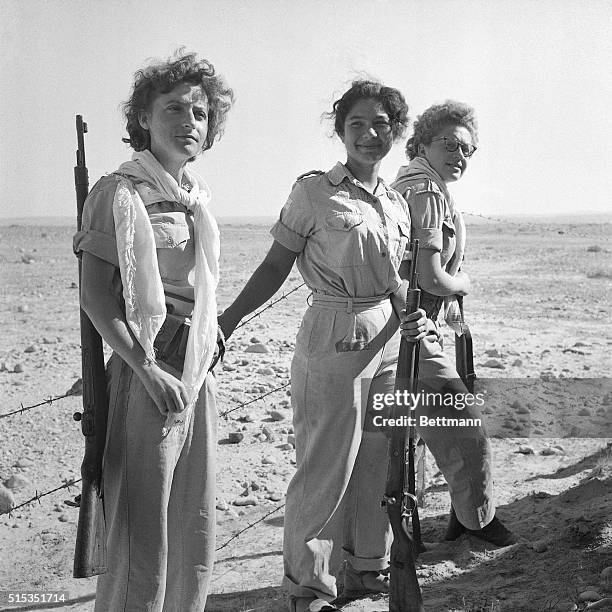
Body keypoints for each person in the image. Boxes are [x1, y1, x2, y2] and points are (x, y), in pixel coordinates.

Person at [218, 80, 428, 612]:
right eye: (357, 123)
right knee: (326, 464)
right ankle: (308, 587)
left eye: (381, 124)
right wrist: (227, 321)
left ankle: (366, 567)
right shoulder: (314, 192)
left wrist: (412, 315)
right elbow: (274, 265)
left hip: (387, 334)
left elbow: (396, 275)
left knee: (379, 459)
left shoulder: (396, 202)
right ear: (341, 131)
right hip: (334, 331)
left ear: (396, 132)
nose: (370, 133)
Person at [73, 51, 233, 611]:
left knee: (192, 517)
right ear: (142, 116)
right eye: (173, 108)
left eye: (200, 112)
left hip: (196, 368)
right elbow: (95, 297)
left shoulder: (195, 198)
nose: (189, 122)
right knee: (143, 528)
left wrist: (207, 346)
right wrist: (146, 369)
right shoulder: (119, 193)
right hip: (148, 368)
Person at [391, 101, 517, 547]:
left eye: (468, 150)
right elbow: (429, 276)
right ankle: (478, 523)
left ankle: (458, 520)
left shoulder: (415, 183)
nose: (460, 156)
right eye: (450, 144)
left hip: (406, 326)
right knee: (465, 429)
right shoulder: (425, 189)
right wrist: (462, 282)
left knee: (417, 439)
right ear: (422, 142)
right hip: (412, 329)